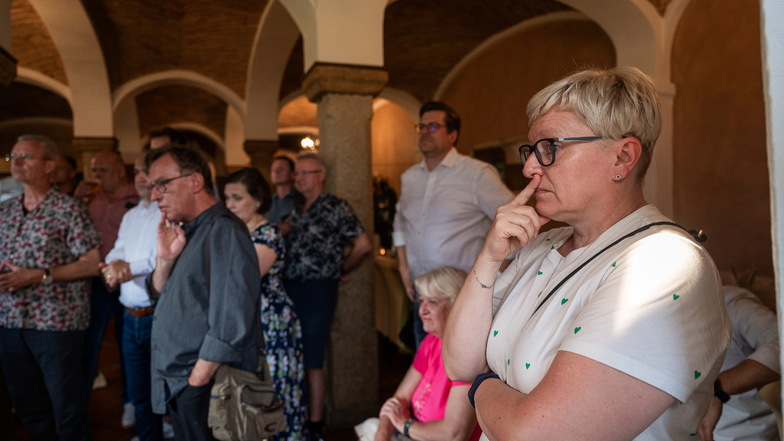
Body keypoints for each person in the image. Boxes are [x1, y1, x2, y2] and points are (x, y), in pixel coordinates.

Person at [442, 67, 731, 440]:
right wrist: (489, 257)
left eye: (551, 148)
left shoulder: (663, 262)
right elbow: (459, 363)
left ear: (623, 158)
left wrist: (484, 386)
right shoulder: (543, 244)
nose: (530, 167)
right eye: (531, 150)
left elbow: (537, 434)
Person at [146, 145, 260, 441]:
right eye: (152, 187)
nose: (154, 196)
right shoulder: (189, 231)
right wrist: (165, 261)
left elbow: (230, 321)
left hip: (204, 384)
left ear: (195, 182)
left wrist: (196, 384)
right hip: (184, 381)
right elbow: (160, 294)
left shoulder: (223, 230)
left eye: (162, 185)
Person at [0, 134, 101, 441]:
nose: (15, 162)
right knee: (27, 403)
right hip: (9, 320)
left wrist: (41, 275)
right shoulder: (5, 212)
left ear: (49, 165)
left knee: (66, 405)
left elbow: (92, 263)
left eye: (25, 157)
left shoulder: (69, 209)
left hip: (56, 323)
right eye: (12, 156)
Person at [393, 101, 513, 348]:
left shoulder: (476, 174)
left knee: (461, 372)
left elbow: (513, 221)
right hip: (422, 295)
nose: (425, 132)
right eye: (421, 126)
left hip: (462, 296)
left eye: (433, 126)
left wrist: (502, 275)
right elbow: (400, 226)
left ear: (452, 135)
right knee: (427, 367)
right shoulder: (409, 178)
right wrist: (404, 270)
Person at [284, 152, 373, 440]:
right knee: (294, 353)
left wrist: (339, 269)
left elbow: (363, 245)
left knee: (312, 356)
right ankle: (295, 415)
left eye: (304, 173)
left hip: (318, 290)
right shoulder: (297, 208)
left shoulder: (335, 206)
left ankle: (315, 423)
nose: (298, 178)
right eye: (296, 174)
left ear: (320, 175)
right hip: (291, 289)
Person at [224, 167, 308, 441]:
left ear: (257, 199)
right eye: (227, 198)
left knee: (275, 389)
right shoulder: (233, 232)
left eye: (237, 197)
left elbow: (242, 278)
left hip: (270, 321)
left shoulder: (268, 233)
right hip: (243, 320)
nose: (230, 205)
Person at [365, 266, 481, 441]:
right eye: (421, 301)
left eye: (432, 302)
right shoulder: (432, 342)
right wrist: (382, 434)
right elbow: (399, 399)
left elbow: (453, 434)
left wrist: (405, 425)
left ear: (458, 305)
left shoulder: (469, 356)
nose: (422, 310)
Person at [101, 156, 165, 441]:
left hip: (156, 314)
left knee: (161, 388)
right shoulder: (131, 215)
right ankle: (148, 436)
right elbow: (117, 249)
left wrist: (123, 269)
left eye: (146, 172)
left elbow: (157, 261)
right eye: (137, 171)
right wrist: (114, 264)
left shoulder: (166, 213)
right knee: (139, 391)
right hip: (129, 313)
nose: (140, 177)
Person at [76, 149, 139, 427]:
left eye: (102, 170)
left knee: (128, 345)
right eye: (94, 170)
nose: (96, 176)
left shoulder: (138, 199)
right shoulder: (92, 198)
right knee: (89, 343)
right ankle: (79, 405)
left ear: (120, 169)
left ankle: (130, 401)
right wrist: (77, 202)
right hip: (95, 280)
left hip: (127, 280)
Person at [698, 285, 781, 441]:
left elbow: (781, 345)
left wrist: (717, 390)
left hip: (744, 435)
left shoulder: (730, 304)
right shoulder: (651, 318)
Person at [266, 155, 299, 225]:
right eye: (273, 170)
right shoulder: (267, 201)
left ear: (292, 174)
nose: (276, 172)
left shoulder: (300, 200)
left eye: (281, 169)